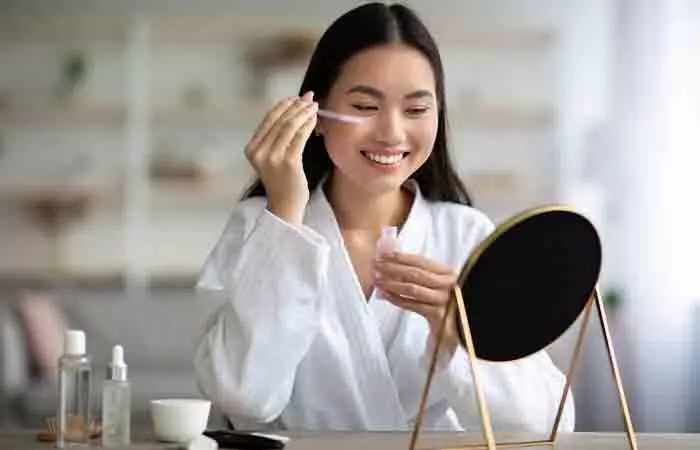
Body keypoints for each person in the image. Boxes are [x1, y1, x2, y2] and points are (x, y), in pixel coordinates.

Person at [194, 2, 574, 432]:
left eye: (415, 110)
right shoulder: (256, 226)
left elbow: (547, 422)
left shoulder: (467, 235)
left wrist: (458, 340)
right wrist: (284, 216)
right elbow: (243, 398)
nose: (392, 132)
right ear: (314, 115)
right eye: (364, 106)